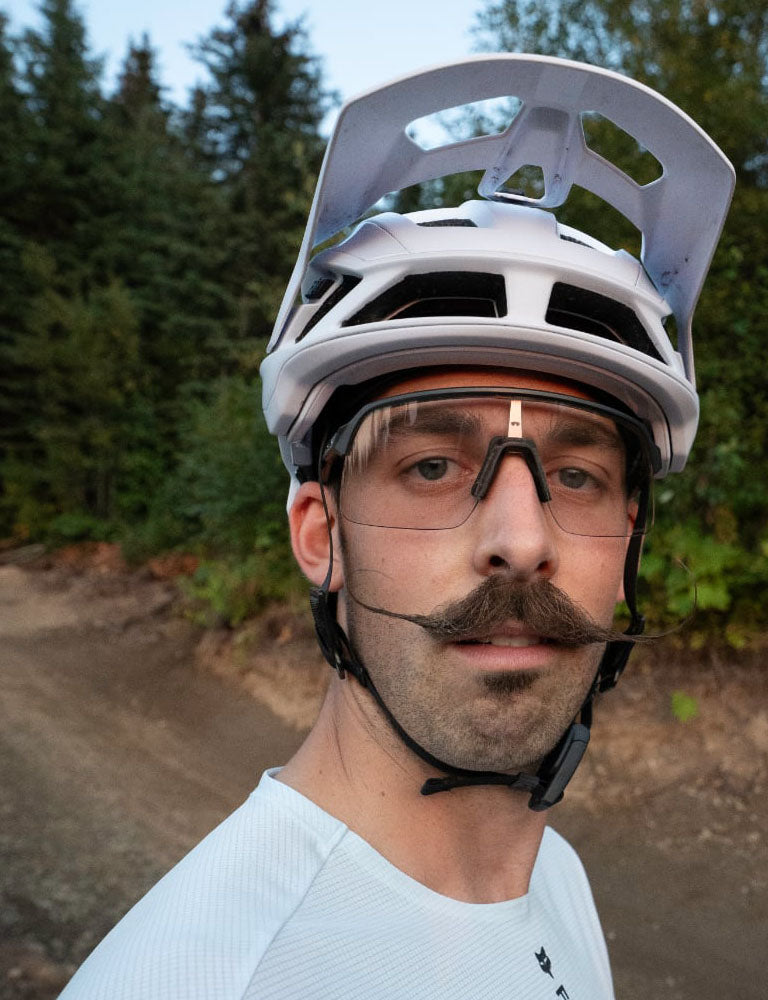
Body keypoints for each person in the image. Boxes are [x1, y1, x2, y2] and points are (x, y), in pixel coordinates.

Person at [59, 54, 733, 999]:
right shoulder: (202, 979)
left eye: (575, 476)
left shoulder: (556, 881)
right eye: (431, 467)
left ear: (630, 539)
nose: (523, 540)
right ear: (320, 533)